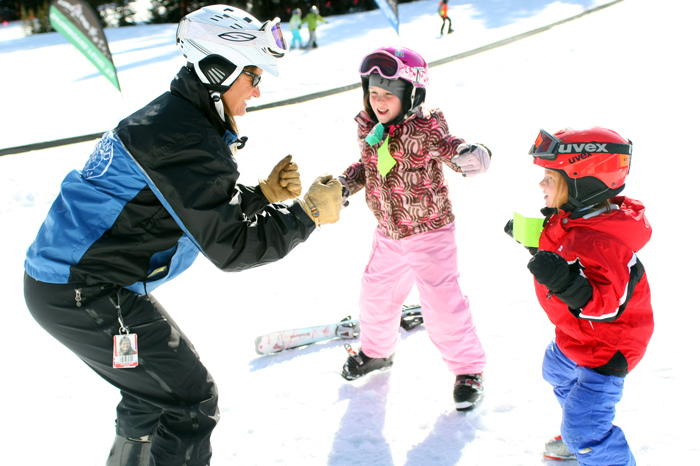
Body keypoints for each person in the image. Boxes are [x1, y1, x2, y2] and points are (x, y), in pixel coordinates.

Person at [23, 5, 342, 466]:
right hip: (83, 291)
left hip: (74, 284)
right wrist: (307, 215)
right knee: (191, 402)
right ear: (218, 69)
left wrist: (260, 195)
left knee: (152, 393)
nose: (257, 89)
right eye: (252, 74)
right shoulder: (185, 139)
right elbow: (233, 248)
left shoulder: (177, 120)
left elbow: (176, 209)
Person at [338, 46, 491, 411]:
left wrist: (473, 155)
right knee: (375, 296)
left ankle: (468, 370)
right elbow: (367, 166)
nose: (379, 101)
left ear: (412, 95)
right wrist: (342, 185)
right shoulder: (369, 128)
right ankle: (376, 352)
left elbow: (451, 149)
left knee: (442, 306)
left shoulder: (425, 129)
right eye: (373, 93)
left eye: (388, 94)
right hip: (389, 233)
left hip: (429, 233)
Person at [506, 127, 653, 464]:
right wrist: (529, 236)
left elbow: (608, 304)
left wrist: (566, 282)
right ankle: (581, 432)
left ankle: (586, 437)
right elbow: (556, 242)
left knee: (584, 430)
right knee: (556, 371)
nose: (541, 185)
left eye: (550, 178)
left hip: (609, 344)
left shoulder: (602, 243)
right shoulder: (573, 219)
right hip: (578, 333)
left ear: (580, 185)